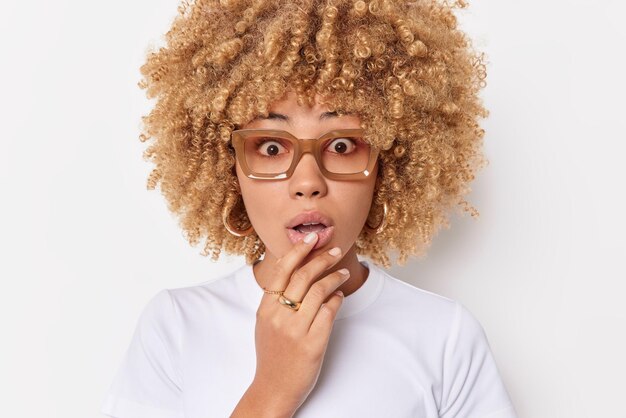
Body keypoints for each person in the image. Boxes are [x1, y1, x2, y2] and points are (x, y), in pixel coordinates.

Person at [102, 0, 517, 417]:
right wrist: (273, 390)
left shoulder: (445, 337)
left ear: (387, 166)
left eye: (341, 146)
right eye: (270, 147)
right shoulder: (176, 326)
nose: (307, 183)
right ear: (229, 171)